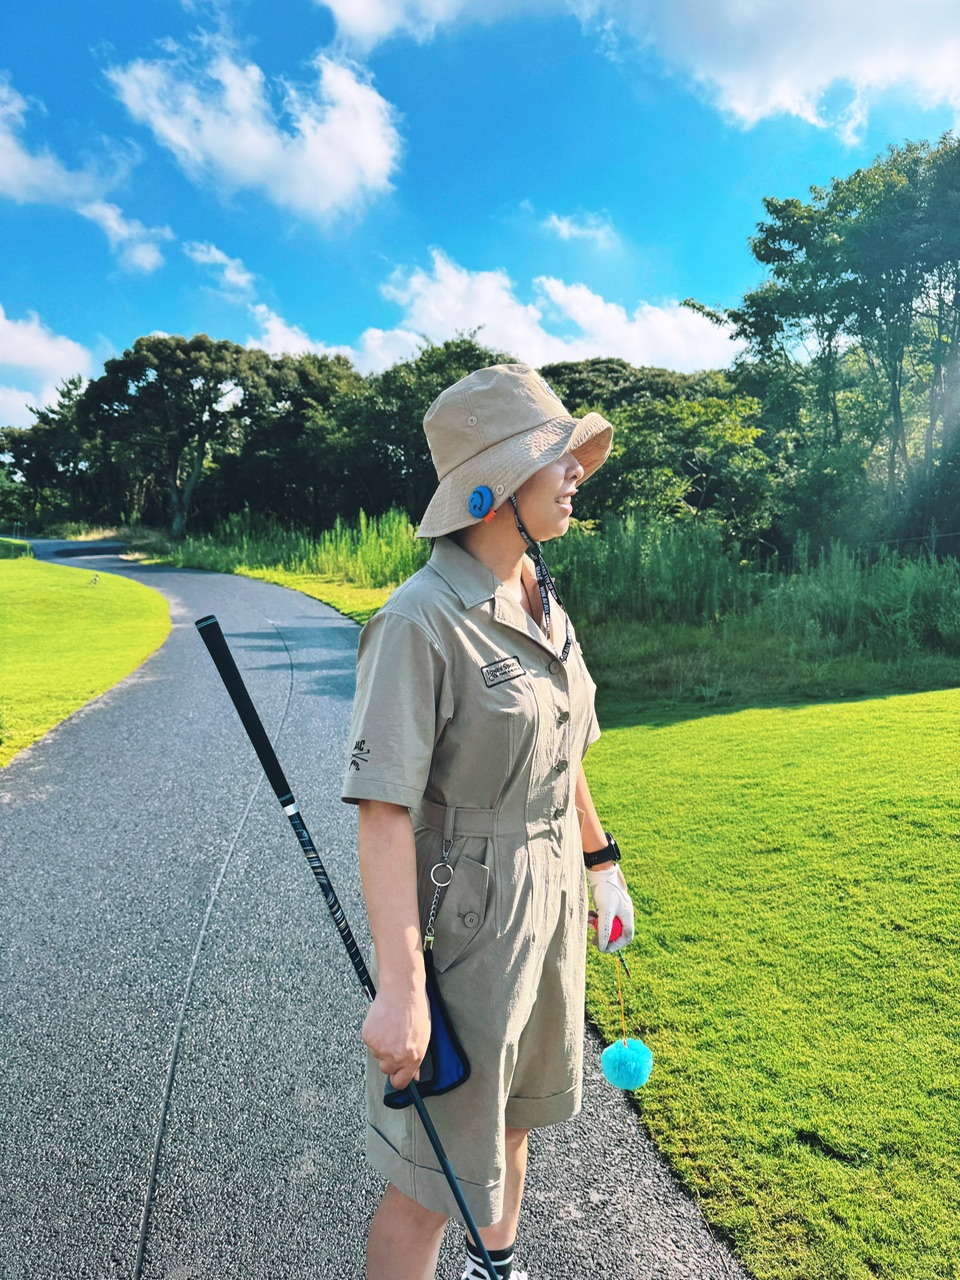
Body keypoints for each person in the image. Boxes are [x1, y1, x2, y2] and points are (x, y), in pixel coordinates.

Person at [341, 364, 636, 1280]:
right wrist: (401, 987)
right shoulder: (419, 622)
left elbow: (566, 754)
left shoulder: (542, 598)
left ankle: (494, 1268)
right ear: (494, 487)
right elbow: (384, 812)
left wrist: (602, 864)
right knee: (432, 1180)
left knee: (514, 1122)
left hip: (553, 892)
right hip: (469, 913)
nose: (575, 472)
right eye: (555, 457)